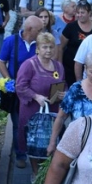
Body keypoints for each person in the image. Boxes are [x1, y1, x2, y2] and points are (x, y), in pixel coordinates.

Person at [0, 16, 44, 169]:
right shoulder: (11, 41)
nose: (42, 32)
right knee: (18, 124)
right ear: (30, 30)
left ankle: (35, 154)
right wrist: (9, 80)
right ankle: (20, 155)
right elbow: (1, 62)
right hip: (18, 92)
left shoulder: (41, 43)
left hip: (36, 92)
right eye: (40, 29)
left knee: (36, 124)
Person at [16, 32, 65, 170]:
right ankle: (35, 173)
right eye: (44, 47)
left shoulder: (58, 66)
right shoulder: (29, 65)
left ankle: (47, 174)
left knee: (50, 141)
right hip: (33, 111)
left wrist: (64, 93)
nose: (48, 50)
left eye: (51, 47)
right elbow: (20, 86)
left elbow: (63, 83)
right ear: (37, 48)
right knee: (34, 141)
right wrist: (36, 96)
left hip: (53, 110)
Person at [47, 51, 92, 156]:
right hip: (77, 143)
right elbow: (61, 117)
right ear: (85, 69)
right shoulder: (76, 89)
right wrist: (52, 142)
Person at [60, 1, 92, 85]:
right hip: (70, 66)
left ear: (89, 13)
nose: (79, 15)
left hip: (90, 68)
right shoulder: (70, 27)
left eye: (82, 12)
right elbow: (61, 47)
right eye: (77, 13)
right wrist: (59, 65)